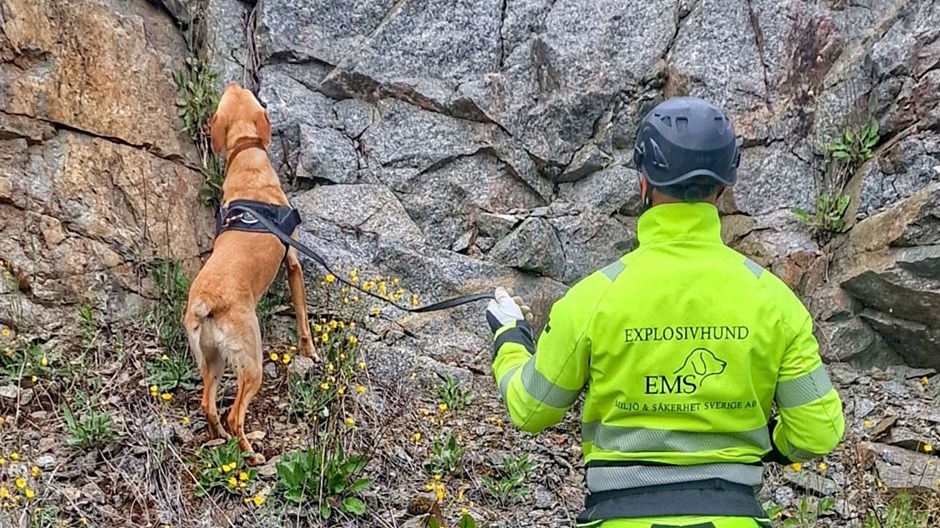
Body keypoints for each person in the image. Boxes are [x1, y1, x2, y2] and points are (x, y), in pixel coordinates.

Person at [486, 97, 845, 528]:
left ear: (644, 183)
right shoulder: (774, 300)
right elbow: (819, 430)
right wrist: (771, 444)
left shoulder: (593, 297)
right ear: (723, 188)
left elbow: (530, 409)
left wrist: (510, 338)